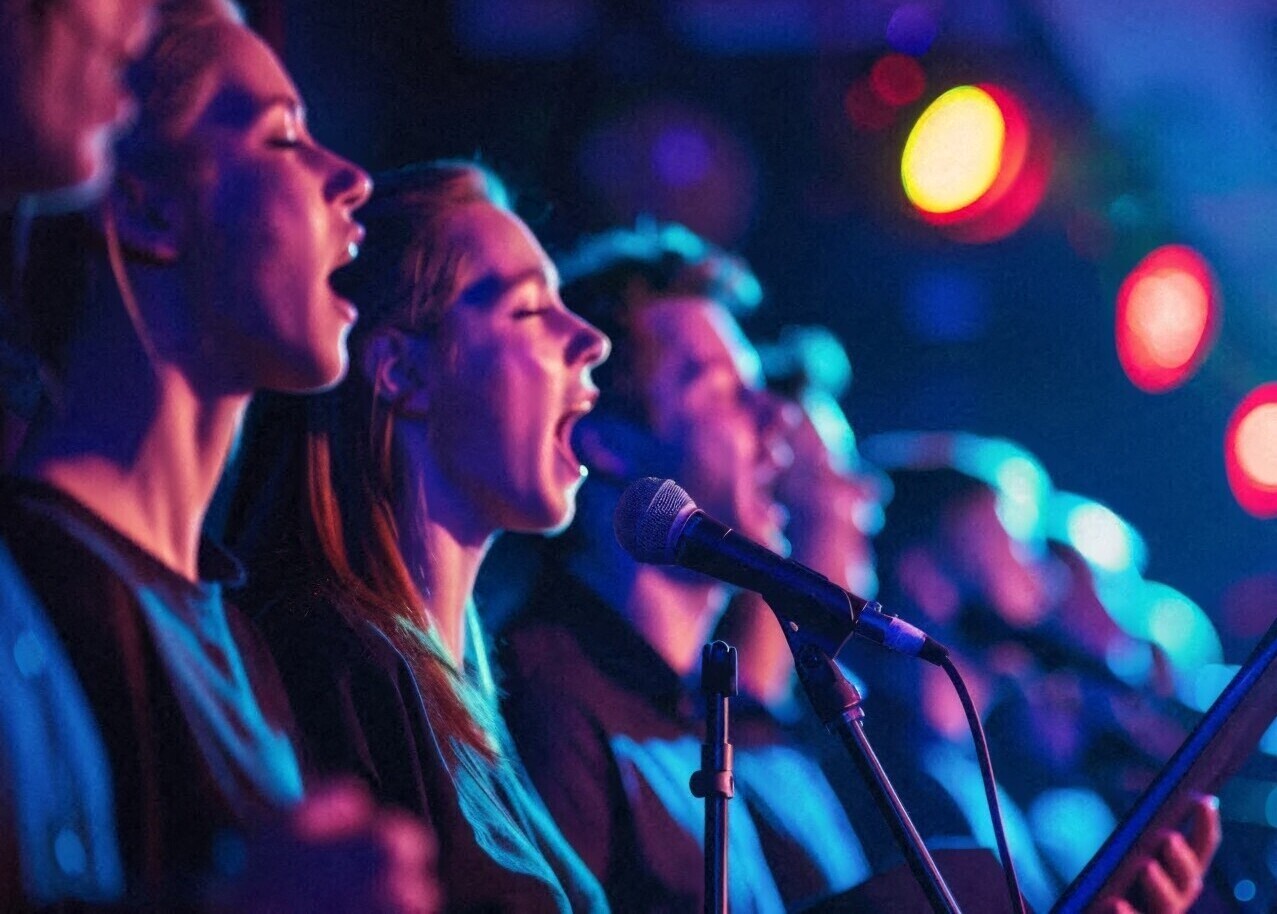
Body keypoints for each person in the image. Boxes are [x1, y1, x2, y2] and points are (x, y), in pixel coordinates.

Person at [1, 2, 436, 910]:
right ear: (145, 204)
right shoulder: (42, 580)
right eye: (282, 138)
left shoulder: (231, 627)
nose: (354, 177)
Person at [226, 160, 612, 912]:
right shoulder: (334, 660)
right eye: (530, 310)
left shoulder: (455, 686)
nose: (590, 339)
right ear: (402, 370)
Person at [496, 222, 797, 912]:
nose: (774, 415)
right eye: (719, 387)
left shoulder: (694, 713)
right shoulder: (548, 704)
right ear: (605, 442)